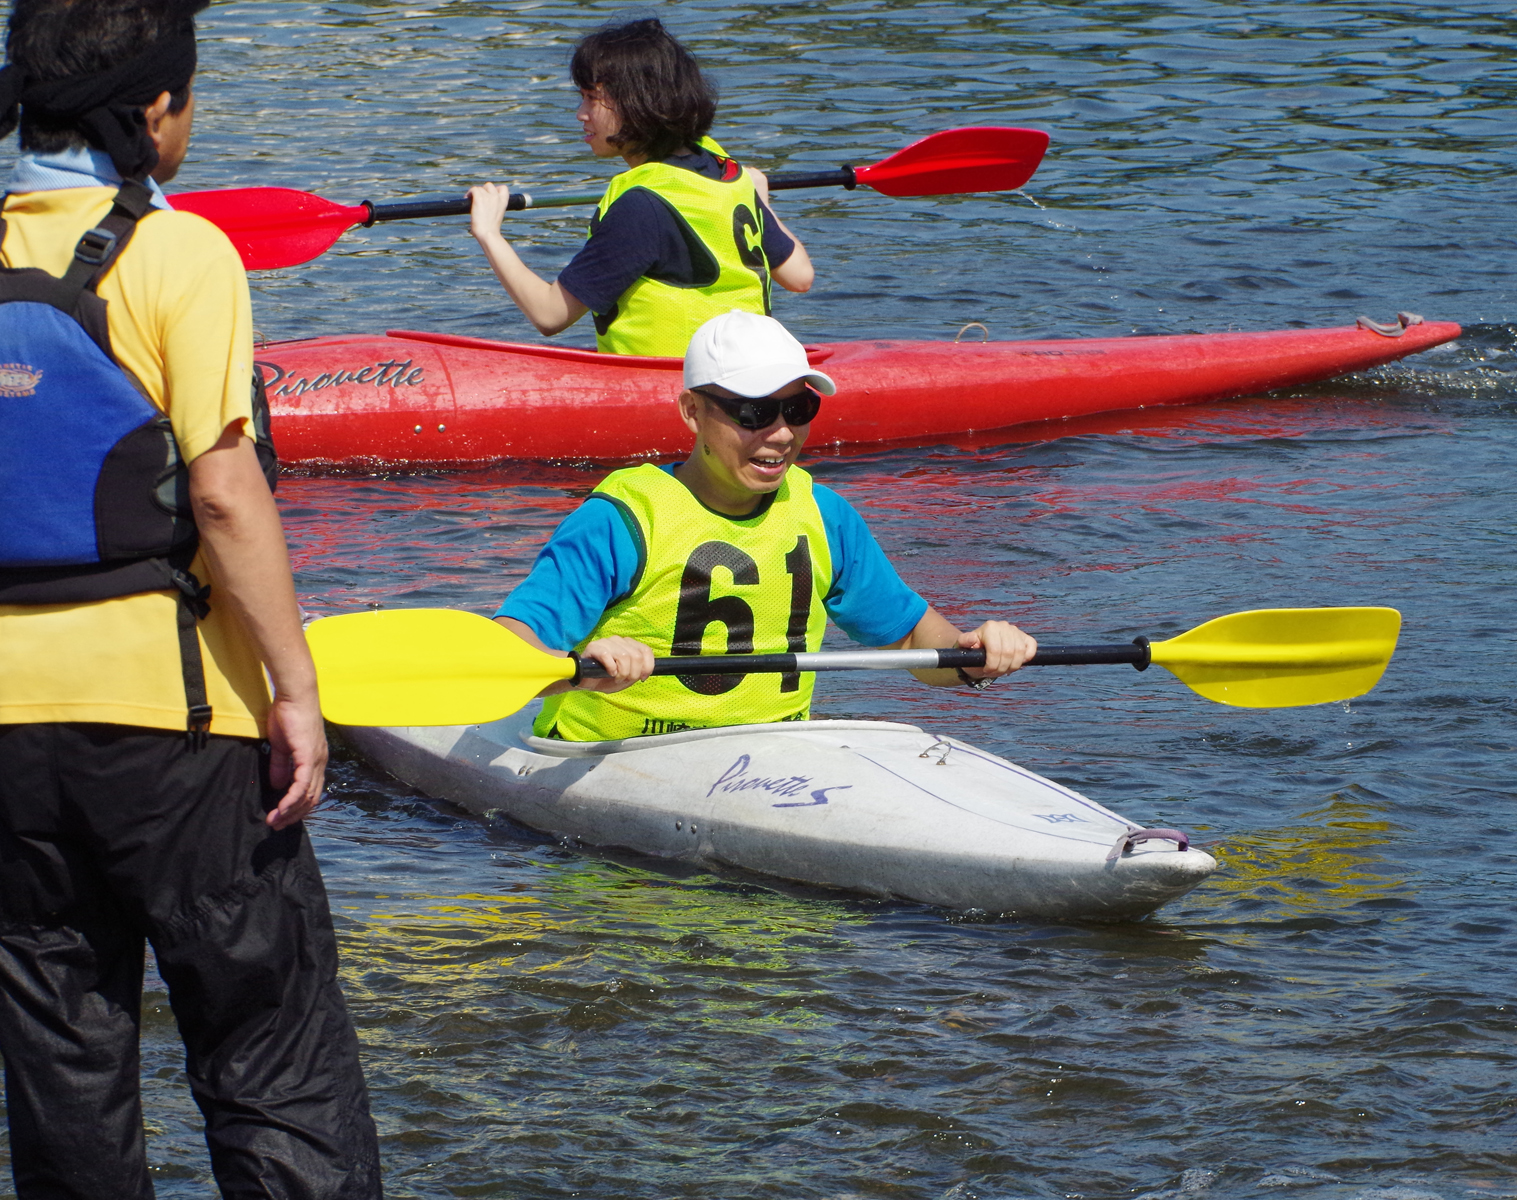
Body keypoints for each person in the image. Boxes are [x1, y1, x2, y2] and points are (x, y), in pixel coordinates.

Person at [0, 1, 382, 1196]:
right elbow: (223, 497)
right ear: (154, 109)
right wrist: (297, 689)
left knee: (62, 1057)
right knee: (267, 1040)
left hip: (7, 750)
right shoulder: (180, 252)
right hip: (177, 725)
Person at [496, 309, 1035, 741]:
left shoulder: (825, 516)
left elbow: (915, 642)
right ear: (692, 411)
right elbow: (508, 649)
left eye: (797, 409)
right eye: (753, 413)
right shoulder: (620, 520)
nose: (780, 434)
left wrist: (976, 654)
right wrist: (576, 663)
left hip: (769, 760)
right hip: (612, 759)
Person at [465, 17, 814, 357]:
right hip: (753, 369)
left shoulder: (642, 205)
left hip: (682, 389)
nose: (580, 113)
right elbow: (799, 275)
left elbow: (549, 314)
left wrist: (489, 233)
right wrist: (758, 200)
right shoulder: (721, 171)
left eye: (591, 98)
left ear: (637, 101)